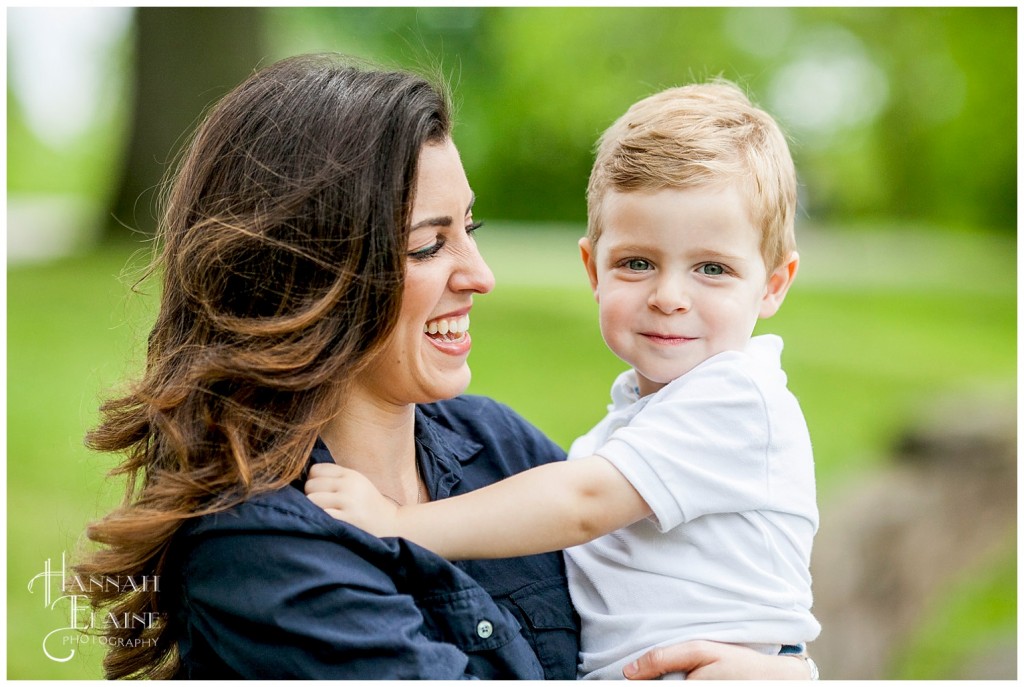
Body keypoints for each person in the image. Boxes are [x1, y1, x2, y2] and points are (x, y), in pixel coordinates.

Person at [75, 54, 815, 680]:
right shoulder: (264, 550)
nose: (480, 274)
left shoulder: (495, 445)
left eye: (471, 227)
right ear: (310, 274)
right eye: (429, 244)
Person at [306, 80, 821, 679]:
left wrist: (398, 524)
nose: (669, 297)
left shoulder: (738, 400)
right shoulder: (637, 417)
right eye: (637, 263)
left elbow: (580, 504)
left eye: (712, 268)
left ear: (775, 284)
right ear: (592, 268)